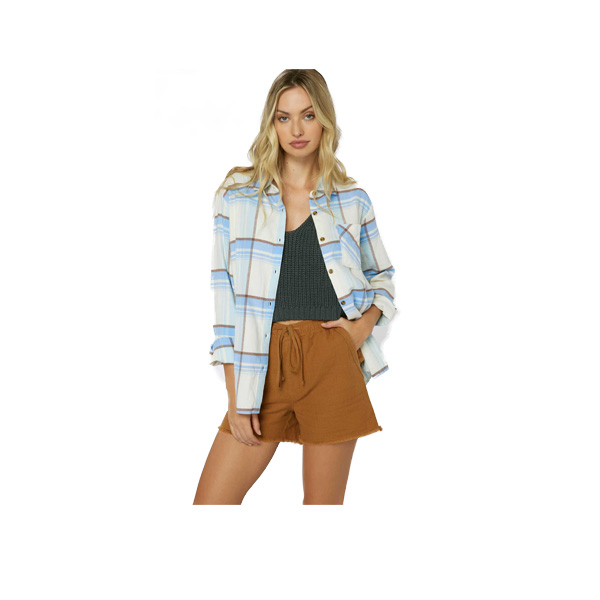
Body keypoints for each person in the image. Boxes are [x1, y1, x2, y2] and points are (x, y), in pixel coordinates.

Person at [193, 69, 398, 505]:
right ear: (271, 123)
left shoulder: (351, 200)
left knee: (322, 511)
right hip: (261, 367)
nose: (297, 130)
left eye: (308, 115)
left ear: (324, 120)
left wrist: (359, 330)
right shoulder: (237, 196)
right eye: (284, 118)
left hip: (331, 363)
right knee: (212, 504)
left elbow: (382, 277)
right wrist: (235, 395)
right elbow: (224, 297)